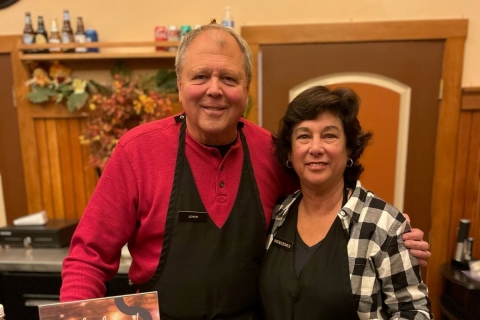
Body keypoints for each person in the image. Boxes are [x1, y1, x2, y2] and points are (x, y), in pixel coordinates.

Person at [60, 24, 430, 319]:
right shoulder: (137, 151)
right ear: (180, 85)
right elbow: (87, 258)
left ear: (247, 91)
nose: (214, 90)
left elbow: (324, 192)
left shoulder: (270, 152)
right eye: (201, 76)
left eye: (230, 79)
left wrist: (391, 235)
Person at [259, 85, 432, 319]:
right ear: (290, 152)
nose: (316, 148)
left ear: (349, 148)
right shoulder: (277, 216)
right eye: (304, 136)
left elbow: (414, 311)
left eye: (329, 135)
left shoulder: (384, 225)